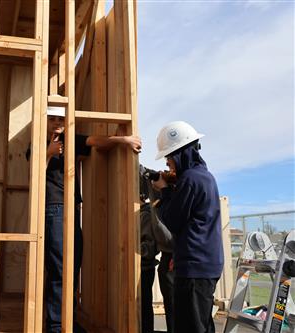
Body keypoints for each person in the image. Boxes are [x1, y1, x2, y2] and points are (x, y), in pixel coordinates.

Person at [27, 106, 142, 333]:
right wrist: (48, 152)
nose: (57, 122)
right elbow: (33, 175)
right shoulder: (37, 142)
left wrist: (123, 140)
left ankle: (67, 320)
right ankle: (55, 327)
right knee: (60, 270)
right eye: (53, 119)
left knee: (72, 268)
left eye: (61, 118)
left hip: (71, 211)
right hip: (54, 209)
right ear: (45, 121)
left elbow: (97, 141)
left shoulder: (71, 140)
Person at [151, 121, 223, 333]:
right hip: (202, 264)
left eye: (169, 156)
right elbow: (191, 224)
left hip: (196, 269)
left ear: (181, 153)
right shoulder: (203, 177)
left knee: (191, 327)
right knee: (201, 324)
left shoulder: (191, 179)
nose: (167, 162)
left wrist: (164, 191)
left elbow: (172, 219)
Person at [139, 165, 174, 333]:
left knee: (145, 308)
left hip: (145, 269)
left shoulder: (145, 214)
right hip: (147, 267)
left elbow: (150, 247)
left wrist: (135, 250)